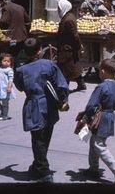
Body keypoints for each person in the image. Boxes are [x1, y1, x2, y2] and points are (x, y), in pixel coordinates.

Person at [13, 38, 70, 183]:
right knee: (44, 137)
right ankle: (39, 167)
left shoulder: (21, 70)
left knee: (37, 138)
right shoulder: (49, 64)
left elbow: (20, 87)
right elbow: (62, 84)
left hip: (33, 105)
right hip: (50, 105)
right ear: (40, 51)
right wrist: (63, 101)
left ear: (25, 53)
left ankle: (43, 171)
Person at [83, 59, 115, 183]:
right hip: (110, 117)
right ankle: (93, 169)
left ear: (102, 71)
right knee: (94, 142)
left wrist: (86, 116)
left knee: (98, 145)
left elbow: (91, 105)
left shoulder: (101, 87)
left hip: (100, 119)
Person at [57, 0, 86, 91]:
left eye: (59, 8)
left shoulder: (68, 19)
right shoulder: (69, 16)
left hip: (68, 48)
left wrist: (79, 45)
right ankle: (80, 83)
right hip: (68, 47)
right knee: (73, 66)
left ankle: (64, 88)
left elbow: (74, 35)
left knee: (66, 68)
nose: (58, 10)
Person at [0, 0, 31, 66]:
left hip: (12, 38)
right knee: (17, 54)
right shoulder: (20, 7)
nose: (0, 5)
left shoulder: (6, 8)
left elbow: (4, 21)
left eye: (0, 3)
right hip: (22, 37)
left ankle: (15, 70)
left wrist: (0, 30)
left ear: (3, 1)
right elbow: (28, 20)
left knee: (12, 55)